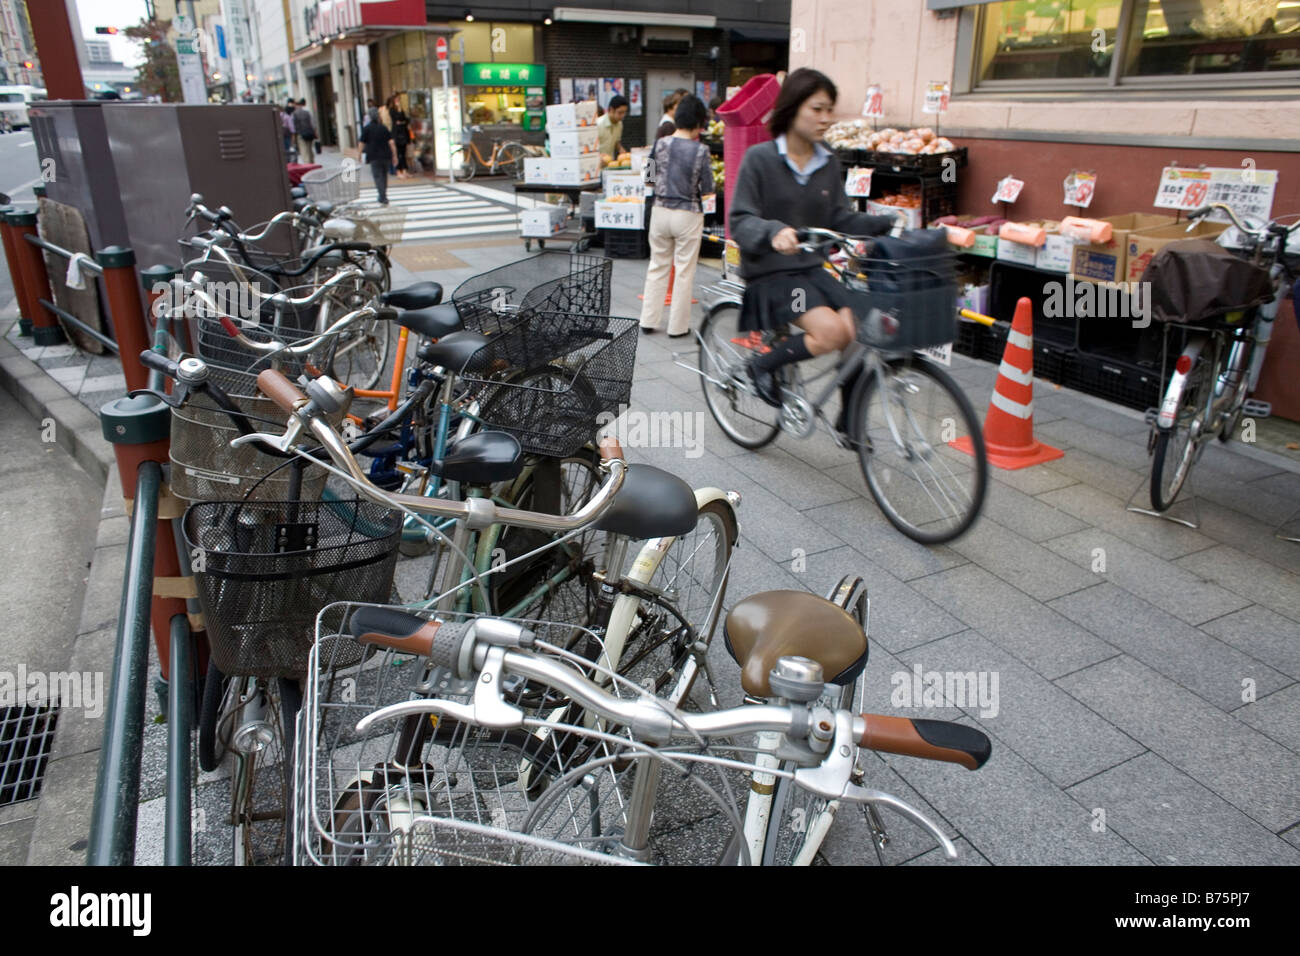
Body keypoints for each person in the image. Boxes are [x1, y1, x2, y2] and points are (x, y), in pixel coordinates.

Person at [728, 68, 895, 432]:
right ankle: (762, 365)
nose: (826, 119)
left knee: (865, 326)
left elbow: (838, 217)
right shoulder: (760, 159)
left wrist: (883, 224)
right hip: (770, 274)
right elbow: (739, 219)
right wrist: (773, 232)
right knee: (833, 332)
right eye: (817, 109)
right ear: (792, 108)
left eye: (829, 110)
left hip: (811, 271)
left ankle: (849, 419)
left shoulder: (828, 162)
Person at [638, 95, 714, 338]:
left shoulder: (660, 143)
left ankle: (648, 320)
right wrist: (709, 212)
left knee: (657, 266)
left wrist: (658, 187)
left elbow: (648, 176)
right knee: (683, 271)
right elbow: (709, 188)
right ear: (699, 123)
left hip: (660, 210)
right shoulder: (702, 151)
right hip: (688, 214)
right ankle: (677, 327)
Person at [360, 106, 396, 205]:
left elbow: (361, 143)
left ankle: (383, 196)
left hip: (374, 156)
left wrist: (359, 154)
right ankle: (383, 195)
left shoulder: (367, 129)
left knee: (377, 176)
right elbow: (391, 142)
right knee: (384, 176)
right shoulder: (384, 128)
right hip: (386, 155)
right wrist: (394, 155)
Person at [597, 94, 628, 164]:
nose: (622, 116)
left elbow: (616, 141)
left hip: (610, 163)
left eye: (624, 113)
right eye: (620, 112)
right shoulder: (598, 124)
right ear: (611, 110)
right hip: (597, 164)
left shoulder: (620, 124)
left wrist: (621, 149)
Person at [388, 94, 411, 178]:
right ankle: (398, 171)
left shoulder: (401, 109)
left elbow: (405, 120)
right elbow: (397, 119)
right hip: (397, 134)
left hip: (403, 133)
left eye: (399, 99)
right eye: (397, 100)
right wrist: (399, 111)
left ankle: (404, 170)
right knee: (398, 153)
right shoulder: (392, 110)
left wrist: (402, 121)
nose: (398, 101)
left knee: (403, 153)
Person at [294, 98, 317, 162]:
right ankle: (312, 163)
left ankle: (308, 165)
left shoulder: (295, 113)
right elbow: (313, 124)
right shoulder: (308, 111)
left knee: (304, 152)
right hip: (309, 133)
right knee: (310, 150)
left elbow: (294, 126)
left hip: (301, 134)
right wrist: (315, 132)